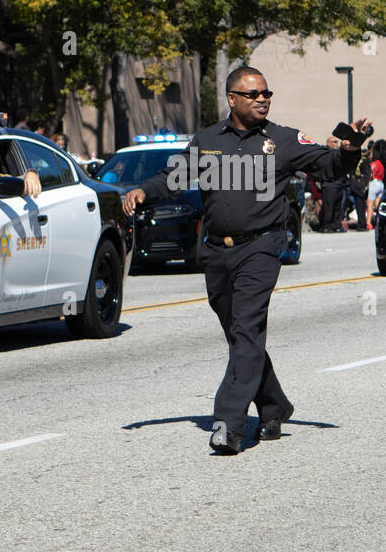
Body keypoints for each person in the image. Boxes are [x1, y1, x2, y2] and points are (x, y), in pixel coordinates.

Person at [122, 66, 371, 455]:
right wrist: (141, 192)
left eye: (266, 93)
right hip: (217, 252)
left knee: (246, 330)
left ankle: (228, 424)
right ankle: (274, 406)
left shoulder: (283, 140)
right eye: (253, 94)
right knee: (242, 336)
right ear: (232, 99)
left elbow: (328, 165)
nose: (262, 99)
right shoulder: (206, 140)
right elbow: (174, 177)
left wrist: (351, 148)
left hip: (260, 249)